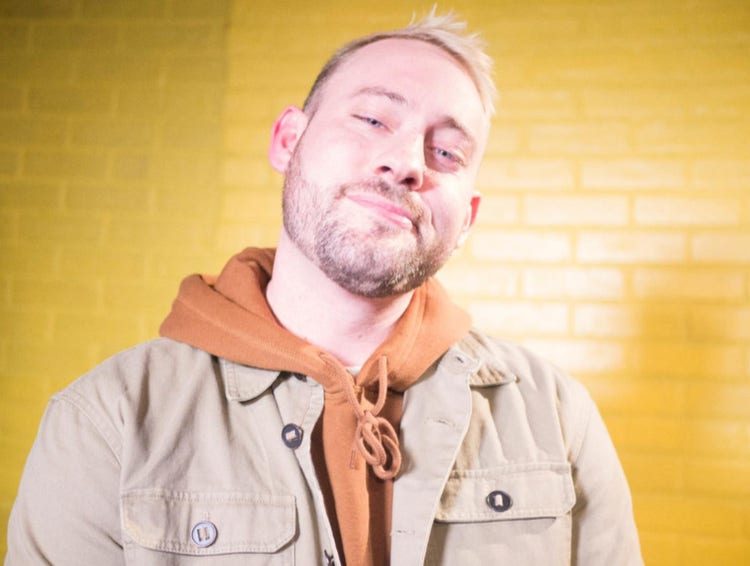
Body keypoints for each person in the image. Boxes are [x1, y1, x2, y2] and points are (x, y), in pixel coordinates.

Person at [6, 10, 643, 566]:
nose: (408, 162)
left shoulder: (556, 416)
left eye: (447, 153)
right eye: (372, 118)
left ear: (467, 220)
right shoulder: (107, 422)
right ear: (289, 141)